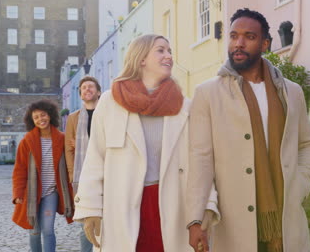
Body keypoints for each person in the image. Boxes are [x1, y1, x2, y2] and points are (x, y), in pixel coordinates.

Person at [187, 8, 310, 252]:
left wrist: (300, 183)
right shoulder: (207, 93)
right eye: (234, 35)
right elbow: (200, 158)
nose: (239, 43)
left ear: (265, 43)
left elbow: (307, 144)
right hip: (233, 218)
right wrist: (197, 218)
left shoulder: (291, 92)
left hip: (285, 213)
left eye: (249, 37)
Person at [73, 34, 218, 252]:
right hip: (122, 207)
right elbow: (96, 157)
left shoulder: (185, 106)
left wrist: (207, 205)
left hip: (173, 207)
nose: (168, 56)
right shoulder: (110, 102)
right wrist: (91, 207)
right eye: (161, 50)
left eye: (170, 51)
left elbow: (201, 162)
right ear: (141, 58)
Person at [12, 99, 74, 252]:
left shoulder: (61, 138)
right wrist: (18, 193)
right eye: (36, 117)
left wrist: (76, 147)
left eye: (43, 115)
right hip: (31, 193)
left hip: (51, 193)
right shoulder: (27, 141)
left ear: (50, 115)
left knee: (48, 230)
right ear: (32, 121)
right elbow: (20, 169)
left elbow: (71, 163)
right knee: (34, 231)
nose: (41, 119)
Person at [64, 76, 101, 252]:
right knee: (85, 220)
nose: (87, 89)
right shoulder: (73, 118)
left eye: (90, 86)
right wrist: (72, 175)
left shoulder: (107, 113)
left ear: (98, 92)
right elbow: (68, 149)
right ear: (80, 94)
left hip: (105, 174)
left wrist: (81, 144)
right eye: (83, 88)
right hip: (82, 176)